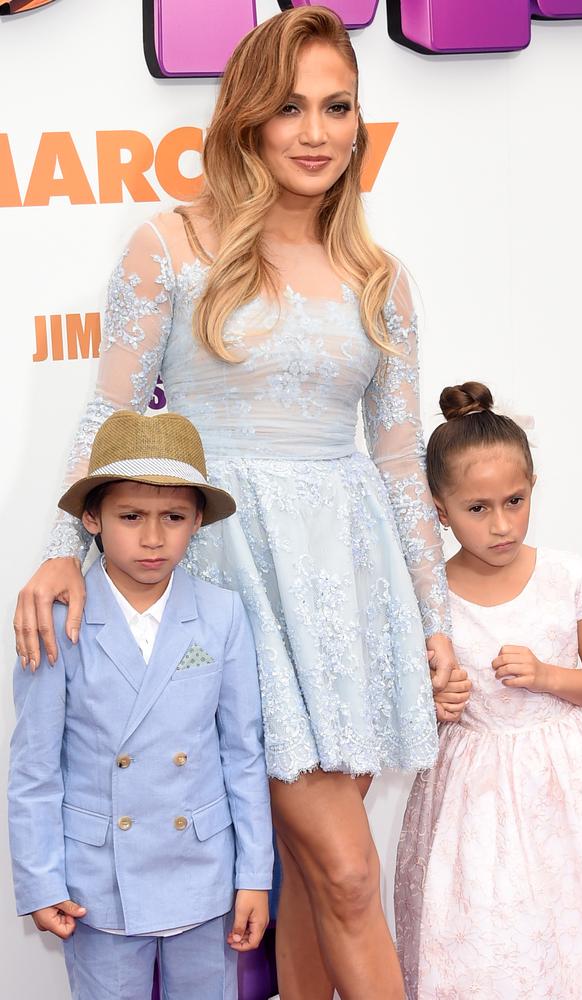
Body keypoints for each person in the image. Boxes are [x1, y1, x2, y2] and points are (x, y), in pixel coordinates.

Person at [13, 8, 457, 997]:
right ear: (246, 118)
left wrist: (430, 619)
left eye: (336, 106)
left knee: (311, 877)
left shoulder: (378, 278)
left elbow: (394, 461)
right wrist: (58, 550)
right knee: (346, 869)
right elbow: (109, 416)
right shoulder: (169, 244)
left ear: (357, 123)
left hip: (348, 586)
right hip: (227, 575)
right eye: (288, 106)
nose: (314, 131)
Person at [394, 381, 582, 1000]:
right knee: (488, 925)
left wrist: (548, 676)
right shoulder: (425, 598)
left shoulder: (567, 577)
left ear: (533, 487)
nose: (501, 524)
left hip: (573, 785)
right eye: (477, 508)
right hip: (472, 796)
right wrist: (433, 706)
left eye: (514, 500)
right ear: (439, 507)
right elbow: (405, 708)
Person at [8, 410, 273, 1000]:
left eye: (173, 518)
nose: (153, 538)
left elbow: (243, 753)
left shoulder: (223, 613)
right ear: (92, 517)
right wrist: (40, 880)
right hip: (98, 881)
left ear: (197, 520)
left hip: (203, 871)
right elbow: (34, 766)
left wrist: (254, 877)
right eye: (131, 517)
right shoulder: (58, 622)